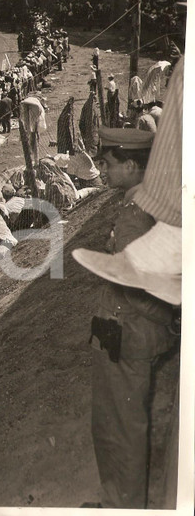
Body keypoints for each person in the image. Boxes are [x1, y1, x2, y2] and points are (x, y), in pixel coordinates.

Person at [84, 126, 177, 509]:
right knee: (123, 422)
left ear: (130, 165)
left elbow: (141, 289)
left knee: (118, 427)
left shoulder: (135, 215)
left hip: (127, 336)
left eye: (108, 164)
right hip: (134, 334)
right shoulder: (146, 204)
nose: (103, 171)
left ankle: (122, 504)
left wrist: (168, 321)